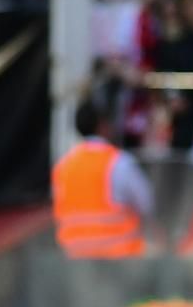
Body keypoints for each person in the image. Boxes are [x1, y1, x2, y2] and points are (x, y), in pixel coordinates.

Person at [52, 99, 153, 258]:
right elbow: (146, 203)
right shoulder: (119, 162)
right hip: (119, 260)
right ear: (102, 125)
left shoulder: (63, 166)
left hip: (74, 262)